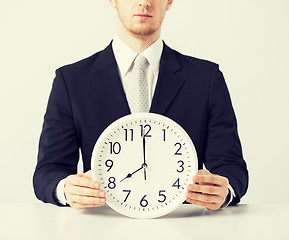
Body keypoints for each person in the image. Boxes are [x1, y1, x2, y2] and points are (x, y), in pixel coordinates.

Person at [33, 0, 248, 211]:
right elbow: (49, 170)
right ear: (113, 1)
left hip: (183, 225)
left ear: (169, 2)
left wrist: (224, 190)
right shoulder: (72, 81)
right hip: (102, 224)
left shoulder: (206, 79)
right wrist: (66, 189)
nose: (144, 2)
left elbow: (231, 166)